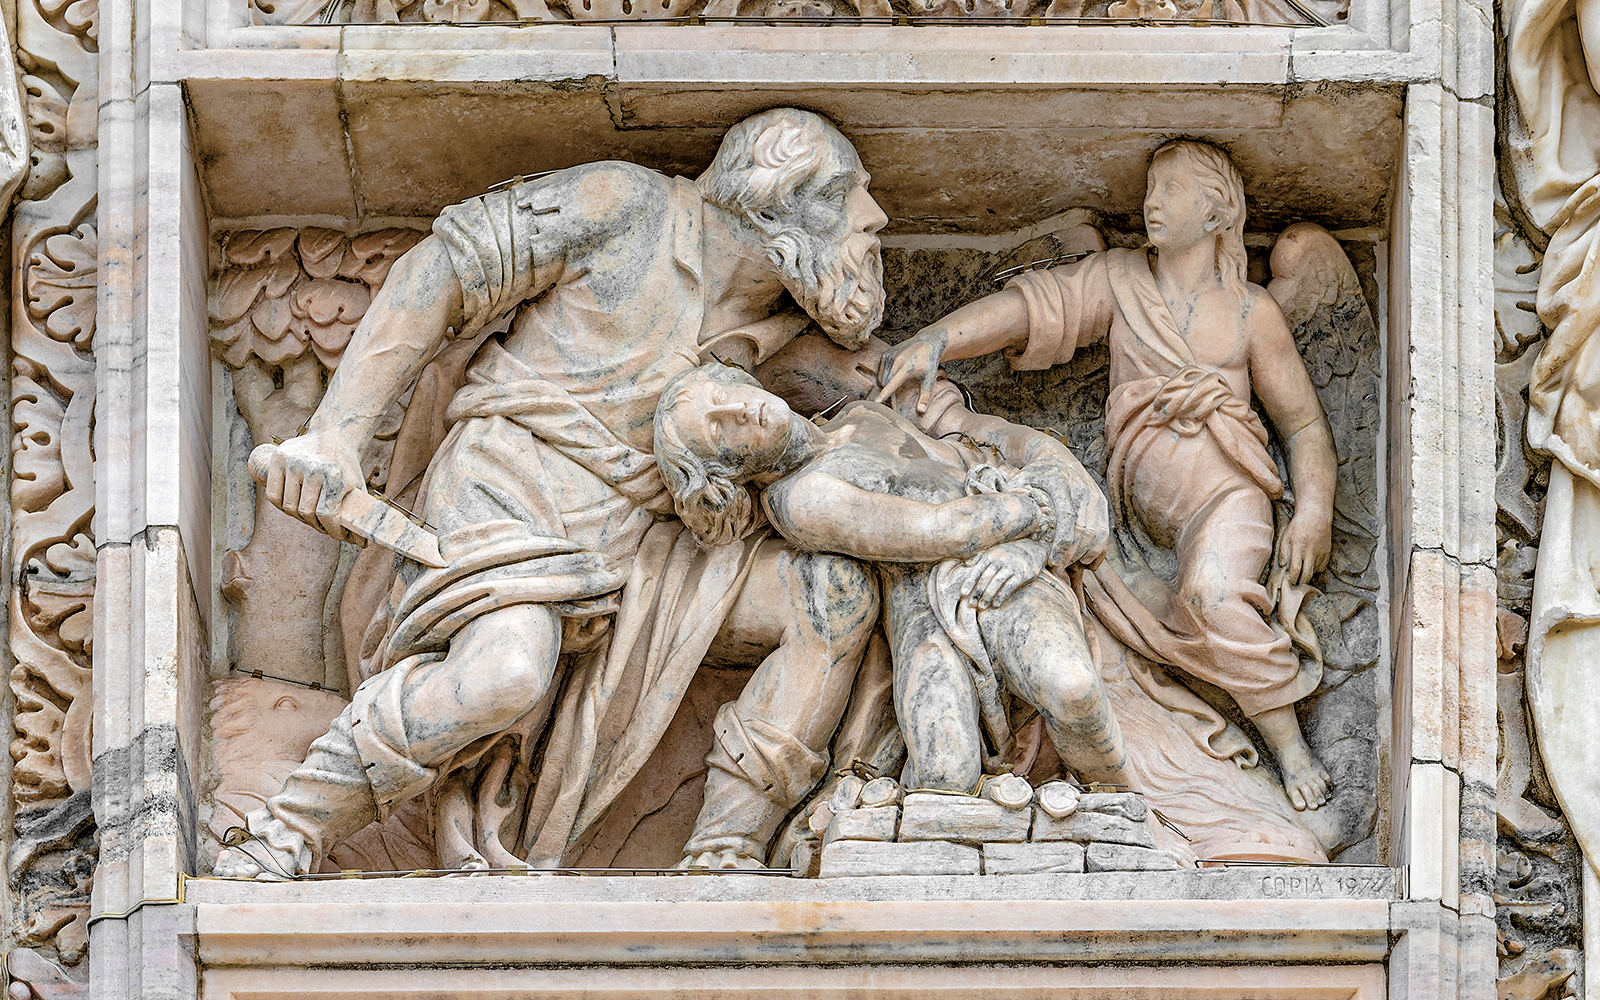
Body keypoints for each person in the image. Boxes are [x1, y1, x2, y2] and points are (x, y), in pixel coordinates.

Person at [216, 108, 895, 878]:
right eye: (854, 199)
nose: (874, 220)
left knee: (829, 594)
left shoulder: (792, 338)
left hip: (650, 545)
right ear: (786, 202)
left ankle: (724, 849)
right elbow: (441, 268)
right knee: (504, 673)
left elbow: (894, 431)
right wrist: (335, 432)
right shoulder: (626, 205)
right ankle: (291, 829)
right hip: (511, 493)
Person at [875, 141, 1338, 810]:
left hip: (1229, 494)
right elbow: (1034, 309)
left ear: (1217, 210)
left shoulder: (1249, 311)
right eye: (1151, 187)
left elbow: (1304, 426)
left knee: (1213, 597)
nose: (1152, 201)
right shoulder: (1121, 280)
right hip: (1137, 514)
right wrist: (937, 340)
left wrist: (1315, 511)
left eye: (1172, 189)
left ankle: (1292, 750)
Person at [654, 362, 1134, 795]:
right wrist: (1046, 508)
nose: (739, 410)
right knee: (946, 772)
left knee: (1074, 689)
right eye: (719, 431)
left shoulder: (860, 413)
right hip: (929, 602)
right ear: (731, 473)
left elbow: (983, 436)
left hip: (1010, 562)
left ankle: (1125, 821)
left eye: (722, 396)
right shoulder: (801, 497)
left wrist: (1040, 462)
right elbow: (939, 532)